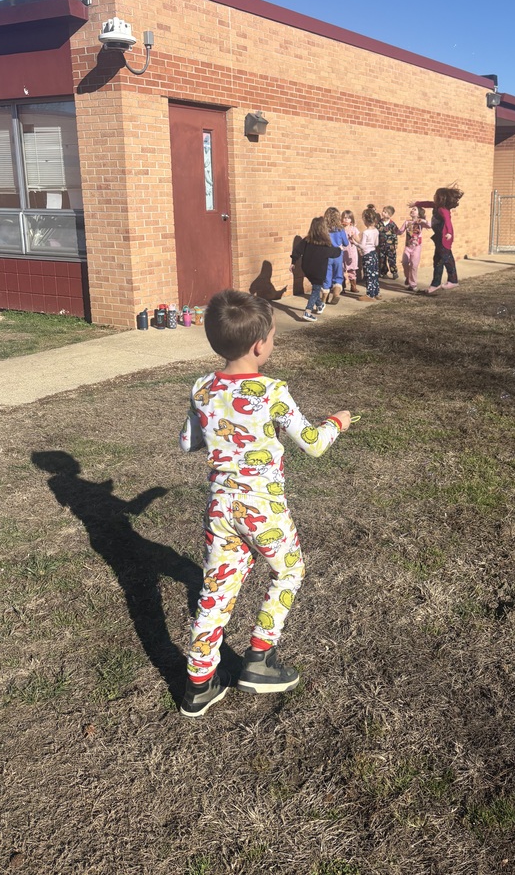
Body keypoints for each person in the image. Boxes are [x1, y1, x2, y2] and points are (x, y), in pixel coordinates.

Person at [178, 289, 351, 717]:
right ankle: (258, 659)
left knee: (216, 591)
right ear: (261, 344)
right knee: (289, 570)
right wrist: (337, 422)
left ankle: (199, 684)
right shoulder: (271, 390)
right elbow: (311, 443)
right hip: (262, 507)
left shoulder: (202, 387)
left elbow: (187, 442)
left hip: (220, 507)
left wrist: (214, 424)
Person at [411, 185, 463, 294]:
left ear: (441, 198)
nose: (434, 197)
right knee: (438, 260)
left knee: (446, 258)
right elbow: (427, 203)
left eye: (436, 195)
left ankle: (453, 280)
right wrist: (416, 203)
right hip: (439, 237)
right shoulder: (436, 206)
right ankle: (436, 283)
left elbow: (448, 221)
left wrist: (449, 232)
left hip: (445, 237)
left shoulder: (442, 210)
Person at [290, 217, 342, 321]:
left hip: (307, 269)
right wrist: (340, 249)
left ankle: (320, 305)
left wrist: (293, 262)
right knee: (315, 290)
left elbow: (297, 251)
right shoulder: (325, 244)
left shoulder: (306, 240)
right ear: (324, 229)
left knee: (316, 288)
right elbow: (334, 253)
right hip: (318, 271)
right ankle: (308, 312)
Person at [396, 205, 431, 292]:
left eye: (414, 209)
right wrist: (393, 229)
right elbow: (400, 232)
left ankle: (413, 284)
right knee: (404, 262)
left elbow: (430, 225)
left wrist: (423, 220)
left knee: (414, 265)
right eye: (412, 209)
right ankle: (408, 277)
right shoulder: (407, 222)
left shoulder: (420, 223)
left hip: (417, 248)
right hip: (407, 247)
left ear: (418, 214)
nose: (412, 210)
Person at [352, 207, 381, 302]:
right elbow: (376, 244)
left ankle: (369, 295)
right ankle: (376, 292)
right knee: (374, 274)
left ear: (365, 220)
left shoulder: (365, 232)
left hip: (367, 255)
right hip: (374, 254)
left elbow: (362, 246)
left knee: (368, 274)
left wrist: (354, 242)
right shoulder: (376, 230)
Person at [322, 207, 349, 303]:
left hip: (327, 255)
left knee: (327, 275)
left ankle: (324, 297)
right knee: (338, 275)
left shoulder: (324, 229)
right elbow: (346, 243)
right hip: (338, 255)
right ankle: (336, 293)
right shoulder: (340, 229)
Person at [377, 205, 399, 279]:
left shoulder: (392, 224)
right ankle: (384, 272)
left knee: (392, 259)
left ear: (389, 215)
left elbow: (395, 234)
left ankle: (394, 272)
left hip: (390, 246)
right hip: (381, 245)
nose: (383, 213)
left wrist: (395, 243)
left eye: (385, 212)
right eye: (383, 211)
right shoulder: (379, 223)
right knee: (382, 259)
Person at [341, 209, 360, 293]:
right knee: (341, 269)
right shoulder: (340, 229)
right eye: (344, 218)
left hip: (351, 252)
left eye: (348, 218)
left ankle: (353, 286)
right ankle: (341, 287)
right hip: (341, 252)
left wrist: (353, 236)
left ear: (351, 220)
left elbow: (359, 240)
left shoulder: (354, 229)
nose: (346, 220)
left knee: (352, 269)